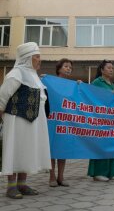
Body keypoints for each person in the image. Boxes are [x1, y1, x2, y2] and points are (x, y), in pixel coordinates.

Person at [0, 42, 51, 199]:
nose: (39, 60)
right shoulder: (16, 73)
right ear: (27, 58)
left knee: (26, 150)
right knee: (15, 148)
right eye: (36, 57)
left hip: (33, 121)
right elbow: (3, 96)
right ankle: (11, 187)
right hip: (16, 118)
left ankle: (22, 184)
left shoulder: (34, 76)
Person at [87, 60, 114, 181]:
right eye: (109, 67)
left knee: (111, 144)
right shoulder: (97, 82)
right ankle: (98, 173)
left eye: (112, 68)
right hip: (100, 119)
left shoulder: (112, 84)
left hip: (111, 120)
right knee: (101, 145)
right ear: (102, 70)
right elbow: (90, 96)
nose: (111, 70)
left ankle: (110, 172)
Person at [49, 58, 73, 187]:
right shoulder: (50, 82)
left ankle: (61, 177)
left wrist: (80, 86)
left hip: (66, 121)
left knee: (63, 149)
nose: (68, 68)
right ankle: (52, 177)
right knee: (52, 148)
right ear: (59, 69)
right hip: (53, 120)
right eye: (66, 66)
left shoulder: (72, 85)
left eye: (70, 67)